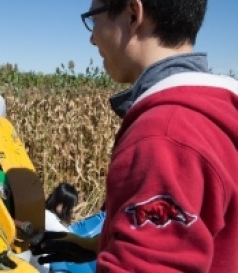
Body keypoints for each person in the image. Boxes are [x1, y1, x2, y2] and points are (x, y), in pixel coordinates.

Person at [30, 0, 238, 272]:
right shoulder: (216, 110)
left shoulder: (163, 135)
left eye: (94, 20)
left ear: (132, 14)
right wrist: (99, 245)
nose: (92, 38)